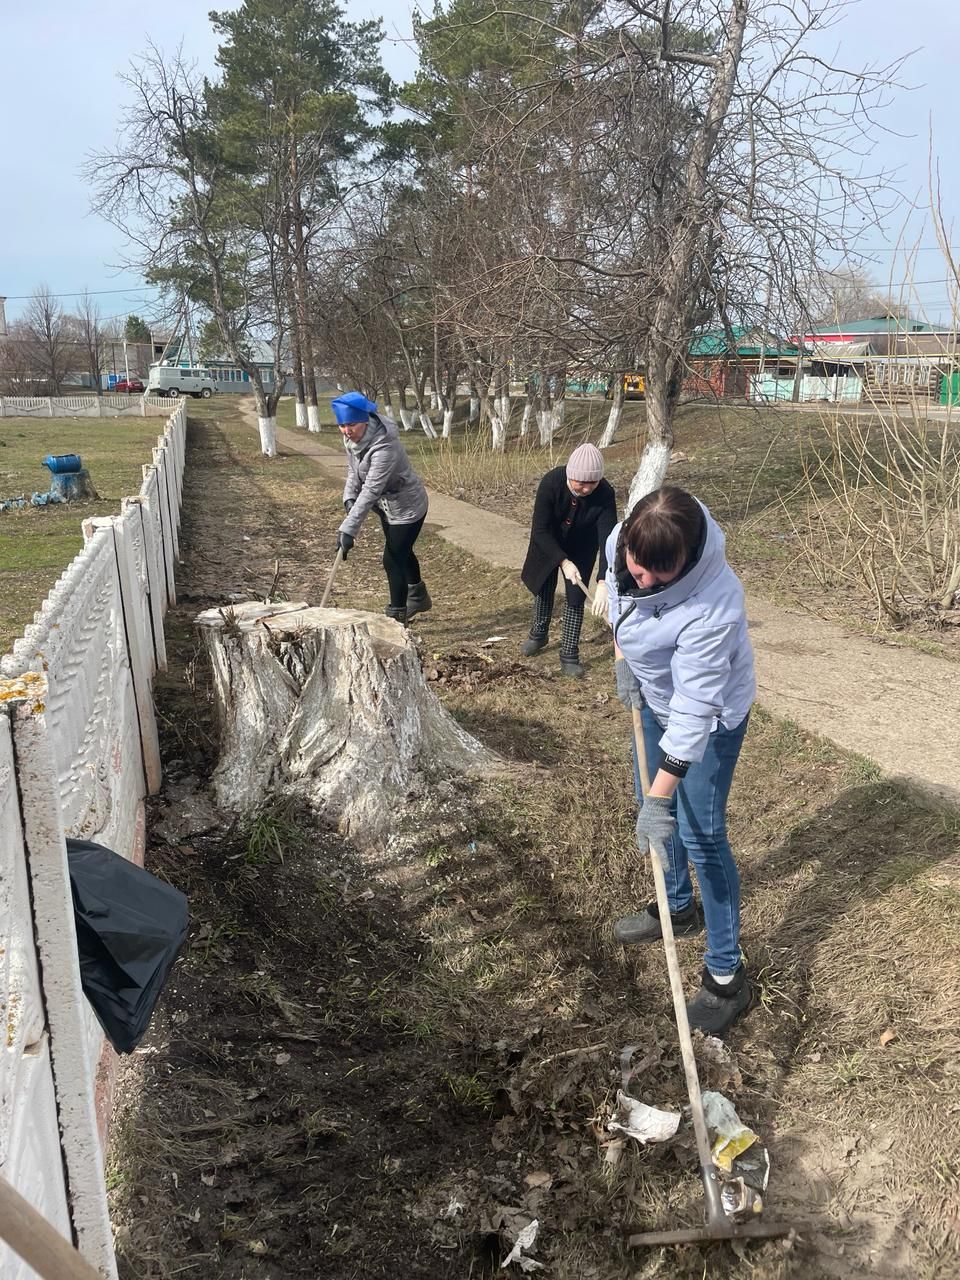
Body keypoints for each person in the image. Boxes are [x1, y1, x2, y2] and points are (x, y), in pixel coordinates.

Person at [604, 485, 756, 1037]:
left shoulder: (714, 604)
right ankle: (676, 907)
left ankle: (726, 978)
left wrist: (660, 794)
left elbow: (695, 710)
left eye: (657, 576)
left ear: (687, 560)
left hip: (707, 718)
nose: (640, 578)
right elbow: (616, 593)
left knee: (700, 835)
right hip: (652, 694)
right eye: (635, 566)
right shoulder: (627, 543)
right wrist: (624, 657)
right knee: (654, 799)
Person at [333, 391, 431, 625]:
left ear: (366, 420)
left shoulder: (385, 448)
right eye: (342, 425)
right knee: (402, 551)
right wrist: (348, 498)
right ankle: (418, 596)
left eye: (352, 424)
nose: (347, 431)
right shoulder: (353, 440)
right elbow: (353, 472)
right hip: (386, 508)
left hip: (407, 508)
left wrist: (348, 530)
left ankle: (397, 615)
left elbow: (370, 490)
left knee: (392, 558)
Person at [520, 443, 617, 677]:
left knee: (575, 597)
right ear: (569, 475)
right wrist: (563, 562)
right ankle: (539, 633)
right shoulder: (551, 483)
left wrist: (604, 581)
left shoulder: (605, 494)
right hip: (547, 541)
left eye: (591, 483)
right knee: (544, 586)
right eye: (580, 483)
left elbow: (608, 540)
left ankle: (569, 653)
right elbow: (540, 530)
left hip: (582, 547)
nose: (585, 489)